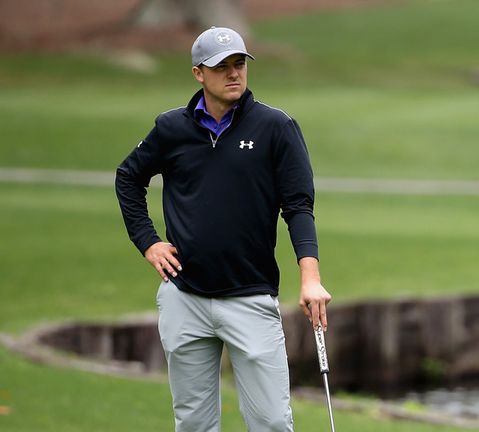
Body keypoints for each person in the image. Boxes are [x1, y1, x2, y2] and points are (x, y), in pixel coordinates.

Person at [115, 26, 331, 431]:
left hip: (249, 297)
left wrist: (310, 277)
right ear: (199, 73)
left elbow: (298, 206)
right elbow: (128, 177)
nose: (233, 74)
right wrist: (148, 242)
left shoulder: (276, 128)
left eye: (239, 65)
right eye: (221, 67)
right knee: (193, 424)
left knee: (271, 423)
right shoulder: (171, 128)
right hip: (185, 298)